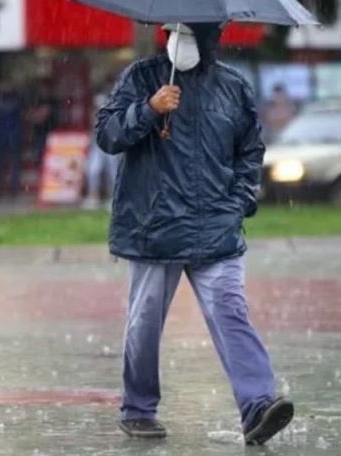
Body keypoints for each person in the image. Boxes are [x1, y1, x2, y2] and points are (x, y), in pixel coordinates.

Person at [96, 22, 294, 446]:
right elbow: (108, 134)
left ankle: (257, 405)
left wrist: (240, 200)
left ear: (211, 38)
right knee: (144, 323)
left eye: (192, 33)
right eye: (174, 32)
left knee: (231, 311)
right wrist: (149, 109)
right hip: (155, 227)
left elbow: (249, 151)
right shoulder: (141, 78)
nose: (181, 42)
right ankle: (138, 408)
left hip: (215, 229)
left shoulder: (232, 87)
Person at [83, 85, 120, 209]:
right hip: (97, 145)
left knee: (113, 172)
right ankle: (93, 196)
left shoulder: (113, 114)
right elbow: (92, 132)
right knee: (93, 170)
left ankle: (114, 199)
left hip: (110, 145)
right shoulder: (93, 115)